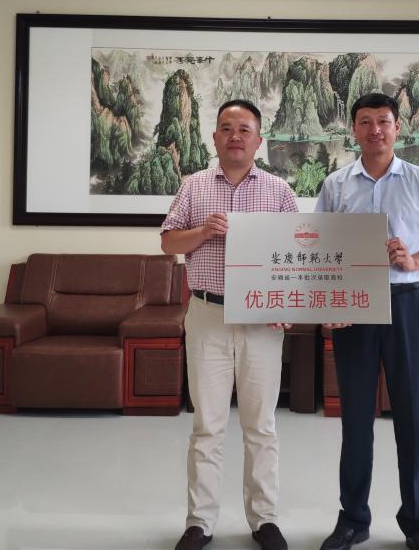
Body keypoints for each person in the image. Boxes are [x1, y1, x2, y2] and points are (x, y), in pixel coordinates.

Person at [315, 92, 419, 550]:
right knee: (355, 419)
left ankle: (418, 524)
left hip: (407, 304)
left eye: (383, 121)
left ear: (398, 127)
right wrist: (327, 305)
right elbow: (319, 248)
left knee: (413, 419)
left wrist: (415, 260)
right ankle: (353, 520)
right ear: (353, 130)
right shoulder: (336, 184)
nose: (375, 129)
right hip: (353, 308)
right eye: (365, 121)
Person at [161, 99, 298, 550]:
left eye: (244, 129)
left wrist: (286, 302)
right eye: (226, 128)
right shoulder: (194, 186)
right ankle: (199, 522)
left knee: (261, 425)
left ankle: (265, 519)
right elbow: (168, 242)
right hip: (207, 315)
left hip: (261, 319)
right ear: (215, 137)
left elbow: (297, 254)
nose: (234, 135)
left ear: (259, 140)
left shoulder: (279, 191)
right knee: (208, 425)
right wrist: (203, 231)